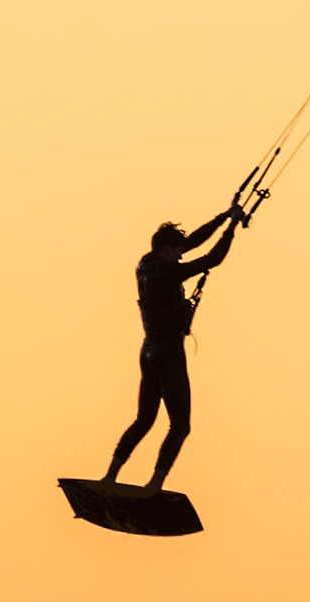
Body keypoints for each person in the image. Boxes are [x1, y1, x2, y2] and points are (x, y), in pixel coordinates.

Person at [102, 198, 243, 491]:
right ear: (166, 250)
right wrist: (231, 229)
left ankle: (110, 476)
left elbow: (191, 243)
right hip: (168, 353)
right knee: (180, 425)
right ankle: (155, 483)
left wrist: (223, 216)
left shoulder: (146, 263)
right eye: (177, 252)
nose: (181, 256)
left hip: (148, 352)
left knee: (144, 420)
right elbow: (211, 260)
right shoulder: (168, 273)